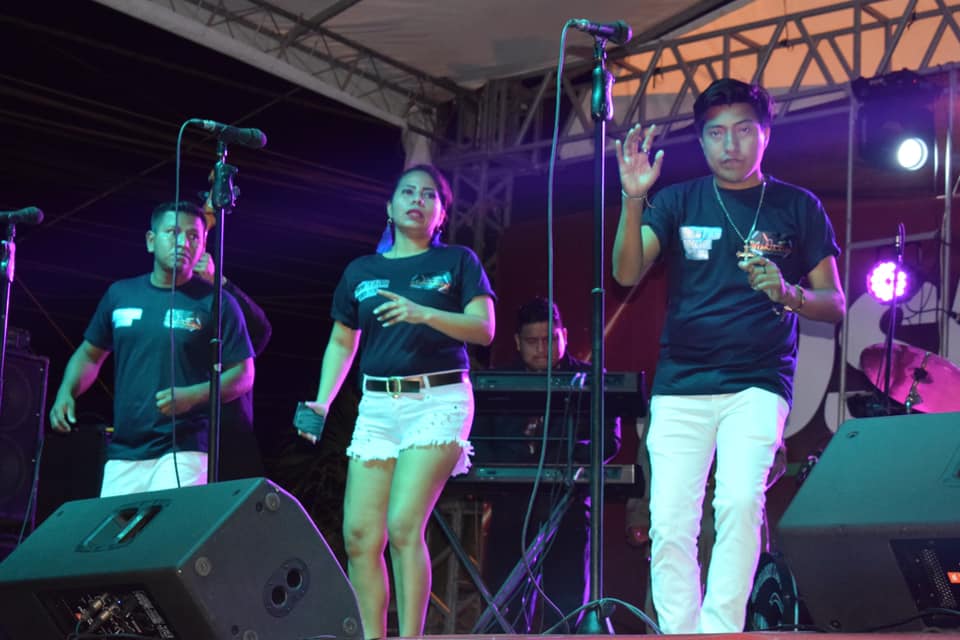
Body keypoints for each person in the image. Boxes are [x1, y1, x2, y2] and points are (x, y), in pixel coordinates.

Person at [612, 78, 846, 633]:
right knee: (670, 521)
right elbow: (625, 272)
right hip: (681, 382)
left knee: (739, 503)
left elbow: (835, 303)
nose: (730, 144)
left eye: (743, 130)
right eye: (716, 134)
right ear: (701, 141)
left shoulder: (798, 205)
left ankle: (720, 629)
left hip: (758, 382)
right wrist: (633, 197)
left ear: (765, 135)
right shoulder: (678, 200)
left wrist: (788, 293)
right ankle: (679, 630)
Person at [299, 164, 496, 640]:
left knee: (405, 525)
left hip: (438, 399)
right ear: (389, 207)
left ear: (442, 212)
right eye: (408, 192)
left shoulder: (458, 261)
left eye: (429, 195)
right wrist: (321, 403)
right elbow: (342, 342)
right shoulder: (361, 271)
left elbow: (484, 328)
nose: (417, 200)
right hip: (377, 407)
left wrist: (422, 312)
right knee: (360, 536)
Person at [49, 200, 255, 497]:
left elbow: (244, 374)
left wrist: (192, 396)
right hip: (124, 450)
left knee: (168, 527)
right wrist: (66, 391)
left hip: (183, 450)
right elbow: (90, 354)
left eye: (193, 236)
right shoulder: (121, 294)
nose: (183, 243)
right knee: (112, 528)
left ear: (203, 246)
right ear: (150, 240)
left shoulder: (218, 303)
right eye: (173, 232)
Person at [473, 297, 621, 633]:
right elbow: (478, 441)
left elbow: (608, 441)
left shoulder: (588, 378)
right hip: (511, 505)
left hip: (568, 504)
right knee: (504, 607)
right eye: (532, 341)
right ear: (517, 342)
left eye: (550, 339)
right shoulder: (498, 381)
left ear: (564, 336)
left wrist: (570, 457)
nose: (542, 349)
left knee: (567, 604)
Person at [193, 250, 272, 480]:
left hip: (228, 431)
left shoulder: (223, 304)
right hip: (181, 433)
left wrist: (219, 282)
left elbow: (260, 328)